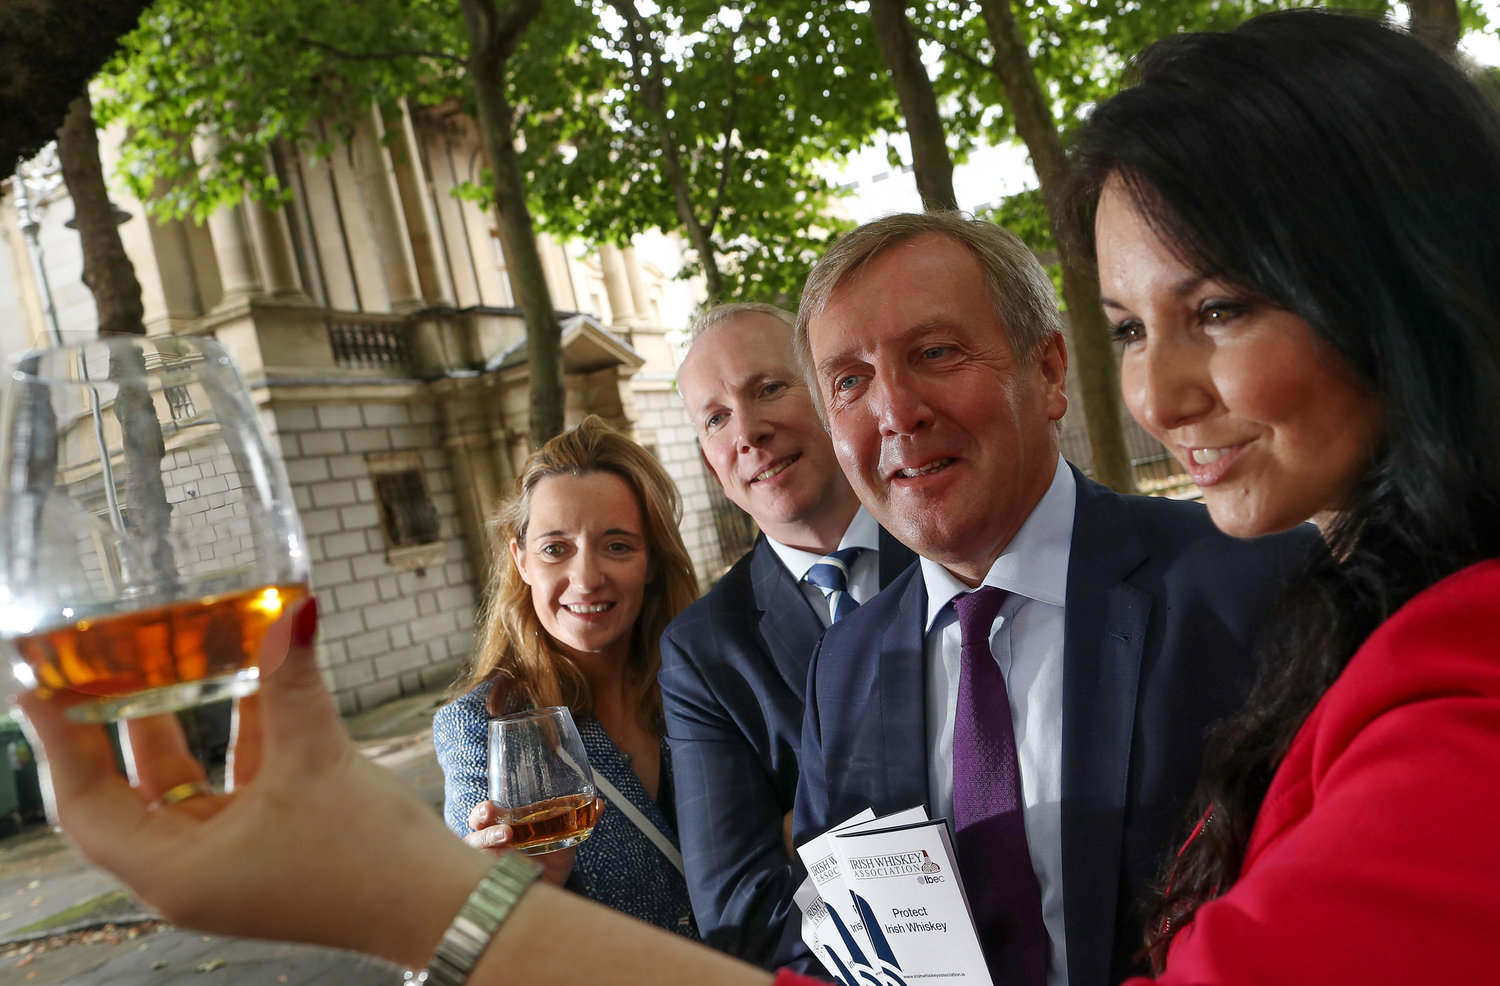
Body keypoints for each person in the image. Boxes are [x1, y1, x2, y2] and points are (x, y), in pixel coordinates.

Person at [18, 11, 1500, 986]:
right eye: (1133, 328)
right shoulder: (838, 652)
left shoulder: (1349, 625)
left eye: (1222, 306)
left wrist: (424, 900)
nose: (1163, 396)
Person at [781, 209, 1316, 986]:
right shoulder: (844, 665)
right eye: (850, 382)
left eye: (934, 353)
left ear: (1051, 371)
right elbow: (838, 942)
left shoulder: (1252, 583)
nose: (896, 412)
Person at [663, 303, 915, 964]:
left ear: (834, 391)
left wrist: (812, 848)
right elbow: (741, 912)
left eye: (768, 388)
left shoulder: (954, 545)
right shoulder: (704, 653)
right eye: (716, 418)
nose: (747, 432)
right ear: (709, 458)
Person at [432, 415, 701, 936]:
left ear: (652, 560)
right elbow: (481, 926)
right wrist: (508, 894)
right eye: (556, 548)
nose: (586, 577)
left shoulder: (705, 684)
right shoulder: (480, 727)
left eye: (618, 545)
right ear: (522, 559)